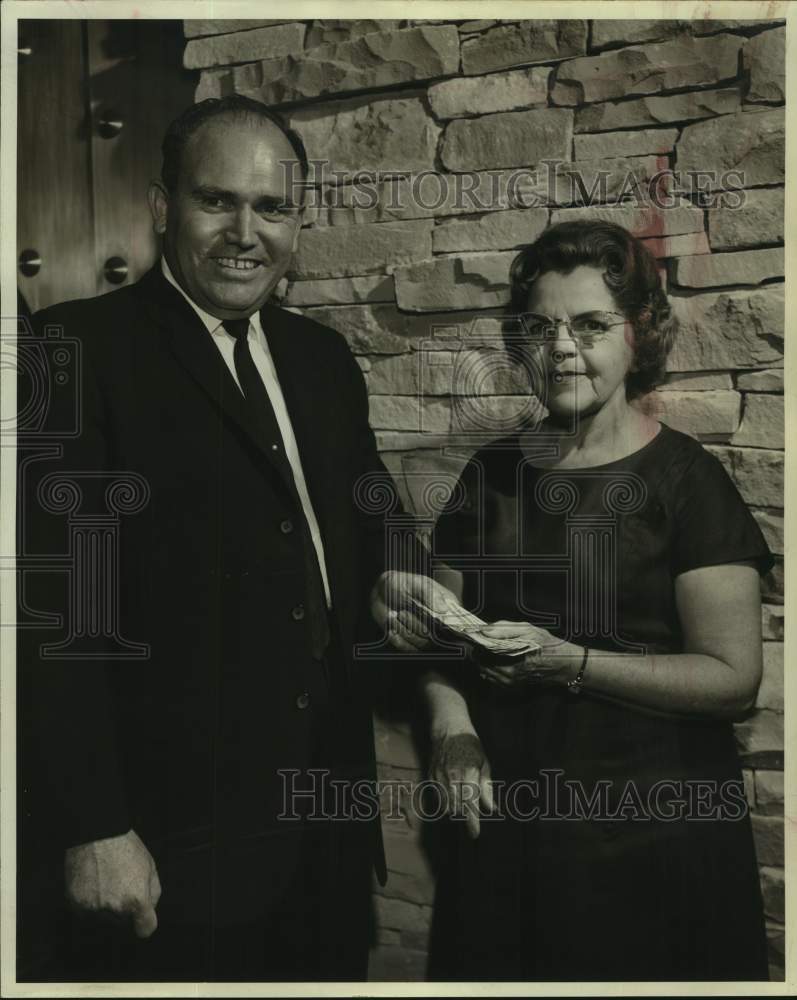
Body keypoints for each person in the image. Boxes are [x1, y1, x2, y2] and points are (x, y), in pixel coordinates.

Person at [18, 95, 396, 982]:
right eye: (215, 201)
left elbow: (372, 528)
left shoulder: (324, 360)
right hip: (164, 849)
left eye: (272, 208)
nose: (245, 233)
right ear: (160, 208)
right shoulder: (74, 349)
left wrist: (402, 584)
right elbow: (53, 614)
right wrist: (93, 826)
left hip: (322, 833)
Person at [376, 221, 772, 981]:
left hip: (654, 838)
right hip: (511, 831)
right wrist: (452, 730)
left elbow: (731, 680)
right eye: (539, 327)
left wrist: (571, 664)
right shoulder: (489, 476)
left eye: (589, 325)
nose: (560, 348)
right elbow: (443, 644)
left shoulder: (687, 484)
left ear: (637, 335)